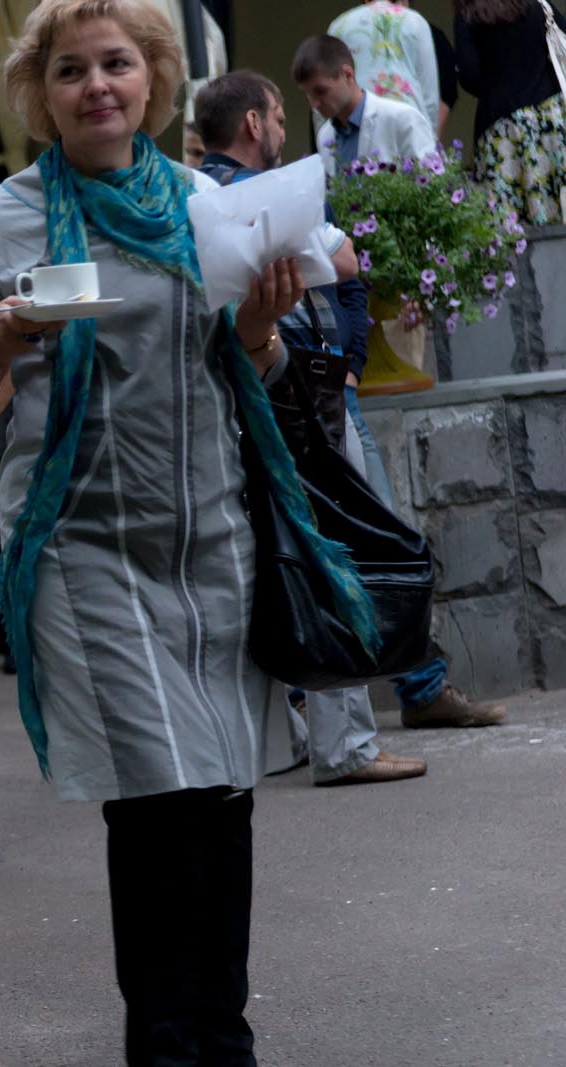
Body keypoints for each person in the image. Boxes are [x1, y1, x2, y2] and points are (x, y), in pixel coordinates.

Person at [0, 0, 315, 1057]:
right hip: (82, 548)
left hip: (212, 542)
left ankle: (220, 1032)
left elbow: (261, 374)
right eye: (70, 70)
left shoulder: (209, 205)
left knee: (221, 794)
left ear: (154, 80)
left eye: (116, 64)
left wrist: (261, 326)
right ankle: (171, 1042)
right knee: (154, 802)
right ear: (39, 93)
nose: (96, 85)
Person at [195, 69, 428, 786]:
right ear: (254, 124)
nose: (281, 126)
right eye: (275, 114)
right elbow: (346, 259)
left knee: (267, 560)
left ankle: (286, 737)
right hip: (293, 393)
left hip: (230, 400)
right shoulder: (267, 192)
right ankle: (346, 744)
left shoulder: (190, 196)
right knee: (333, 553)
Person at [295, 41, 508, 731]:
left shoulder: (399, 117)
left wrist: (414, 284)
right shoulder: (325, 139)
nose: (317, 106)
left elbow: (429, 197)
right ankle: (411, 686)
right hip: (350, 324)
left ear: (348, 75)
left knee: (375, 530)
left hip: (387, 299)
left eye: (322, 91)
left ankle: (414, 685)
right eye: (308, 98)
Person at [456, 0, 566, 226]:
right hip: (552, 121)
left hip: (501, 130)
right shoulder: (538, 4)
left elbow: (469, 74)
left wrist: (497, 84)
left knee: (508, 227)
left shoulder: (468, 15)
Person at [293, 34, 437, 178]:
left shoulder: (403, 119)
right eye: (307, 94)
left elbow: (430, 184)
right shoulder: (325, 136)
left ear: (347, 75)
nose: (314, 103)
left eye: (321, 91)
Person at [326, 0, 441, 134]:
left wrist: (327, 140)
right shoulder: (416, 22)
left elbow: (326, 88)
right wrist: (429, 137)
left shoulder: (339, 25)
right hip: (408, 126)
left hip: (357, 124)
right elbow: (430, 95)